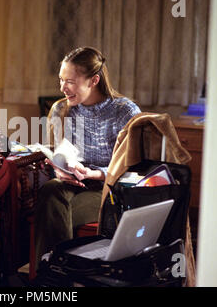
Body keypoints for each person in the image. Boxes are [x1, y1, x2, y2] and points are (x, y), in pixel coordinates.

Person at [34, 46, 141, 266]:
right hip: (71, 185)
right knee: (52, 190)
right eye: (61, 80)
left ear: (94, 81)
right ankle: (64, 273)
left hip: (108, 189)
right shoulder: (60, 109)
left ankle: (54, 273)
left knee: (54, 208)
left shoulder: (125, 112)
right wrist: (58, 168)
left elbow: (132, 168)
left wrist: (93, 174)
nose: (63, 87)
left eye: (70, 82)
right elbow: (55, 152)